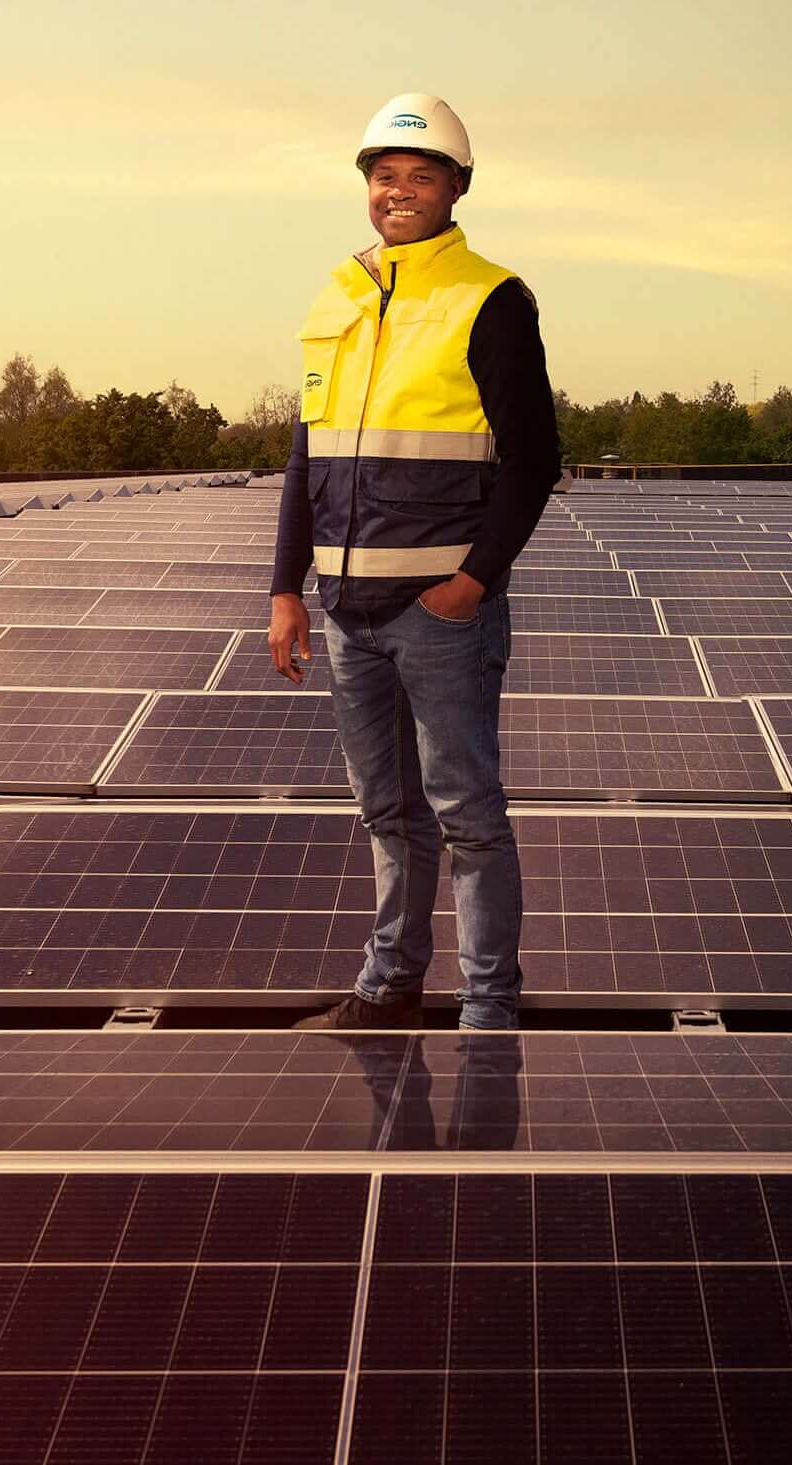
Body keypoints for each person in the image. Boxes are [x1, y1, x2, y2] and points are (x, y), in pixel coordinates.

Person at [269, 93, 561, 1032]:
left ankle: (487, 1008)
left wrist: (468, 586)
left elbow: (535, 460)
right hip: (348, 610)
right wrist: (286, 589)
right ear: (367, 187)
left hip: (437, 614)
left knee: (468, 816)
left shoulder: (490, 296)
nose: (399, 192)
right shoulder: (336, 294)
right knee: (389, 816)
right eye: (384, 176)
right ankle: (390, 987)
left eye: (420, 176)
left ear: (456, 188)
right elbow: (307, 455)